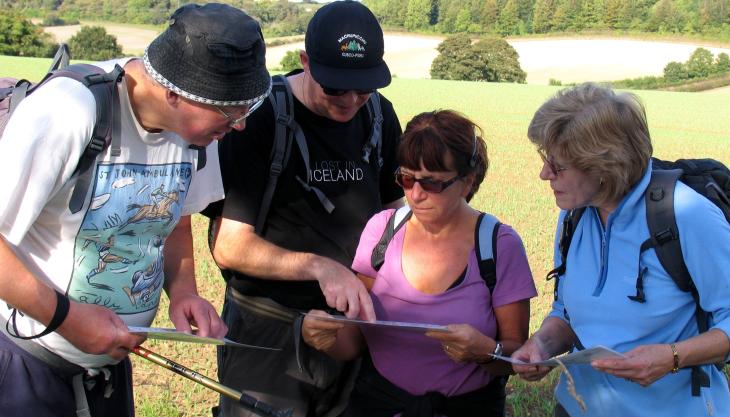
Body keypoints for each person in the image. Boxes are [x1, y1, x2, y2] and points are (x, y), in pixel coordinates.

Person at [0, 3, 270, 416]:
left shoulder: (199, 134)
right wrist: (69, 320)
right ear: (175, 93)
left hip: (110, 366)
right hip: (31, 365)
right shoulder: (70, 111)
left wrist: (183, 292)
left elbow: (176, 217)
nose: (240, 125)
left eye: (245, 109)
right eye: (230, 110)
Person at [206, 1, 404, 416]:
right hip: (270, 330)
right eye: (335, 87)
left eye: (364, 87)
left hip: (354, 327)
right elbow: (230, 245)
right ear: (305, 62)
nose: (351, 100)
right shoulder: (260, 117)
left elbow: (396, 215)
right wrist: (321, 267)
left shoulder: (380, 117)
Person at [512, 83, 730, 416]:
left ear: (603, 164)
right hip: (577, 407)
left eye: (557, 166)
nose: (544, 174)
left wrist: (671, 357)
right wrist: (543, 344)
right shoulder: (573, 217)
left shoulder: (687, 215)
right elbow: (566, 311)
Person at [301, 110, 537, 417]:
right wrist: (324, 337)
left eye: (432, 183)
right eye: (406, 178)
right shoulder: (382, 230)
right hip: (379, 404)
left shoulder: (498, 245)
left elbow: (514, 357)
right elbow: (355, 341)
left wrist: (485, 352)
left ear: (468, 182)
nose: (415, 194)